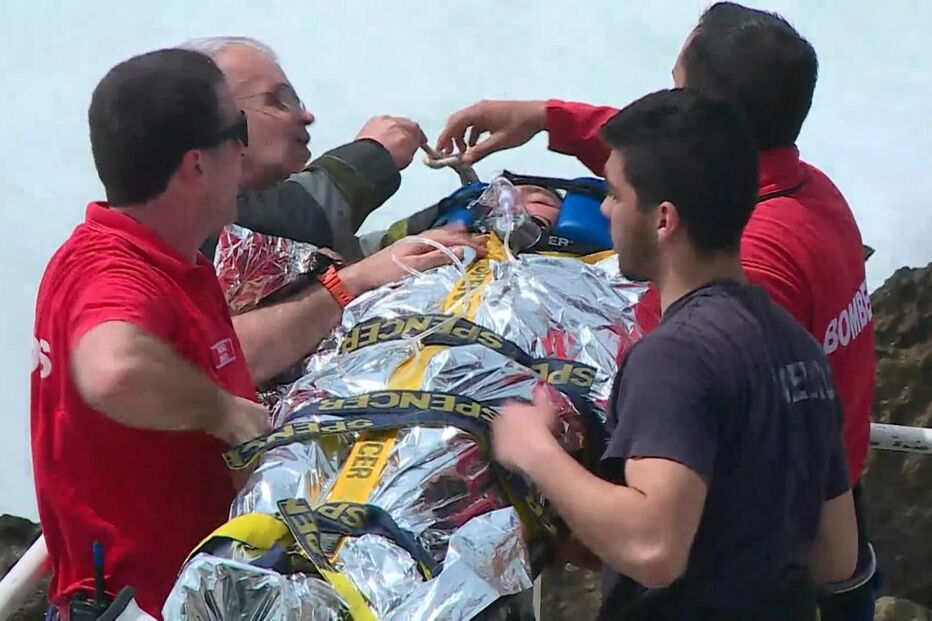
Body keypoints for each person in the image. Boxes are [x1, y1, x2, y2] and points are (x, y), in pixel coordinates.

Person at [438, 4, 877, 616]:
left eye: (616, 196)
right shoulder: (810, 209)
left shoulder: (689, 343)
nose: (604, 208)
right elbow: (833, 556)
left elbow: (658, 542)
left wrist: (539, 458)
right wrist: (547, 118)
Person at [30, 48, 480, 619]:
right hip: (147, 605)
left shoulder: (174, 261)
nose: (243, 147)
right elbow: (114, 370)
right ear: (197, 164)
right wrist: (226, 413)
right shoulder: (113, 272)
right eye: (238, 129)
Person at [182, 36, 428, 262]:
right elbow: (272, 226)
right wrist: (371, 155)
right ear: (218, 116)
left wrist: (455, 213)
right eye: (280, 99)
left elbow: (357, 263)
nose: (306, 115)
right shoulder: (183, 219)